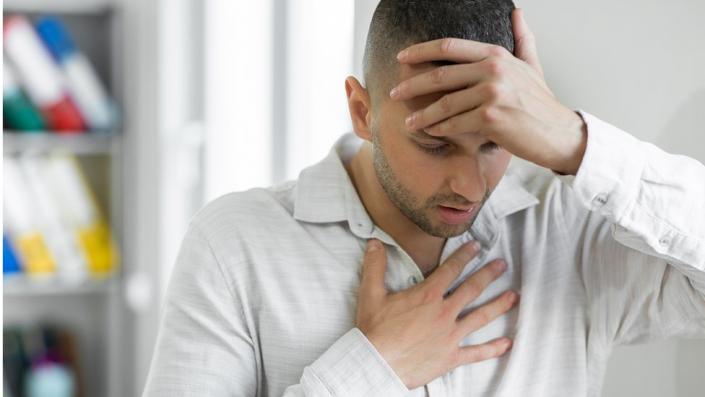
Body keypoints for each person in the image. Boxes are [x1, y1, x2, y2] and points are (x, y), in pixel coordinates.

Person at [142, 1, 705, 396]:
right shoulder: (235, 244)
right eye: (433, 145)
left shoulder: (571, 228)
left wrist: (576, 142)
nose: (469, 184)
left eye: (493, 143)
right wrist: (372, 371)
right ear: (362, 111)